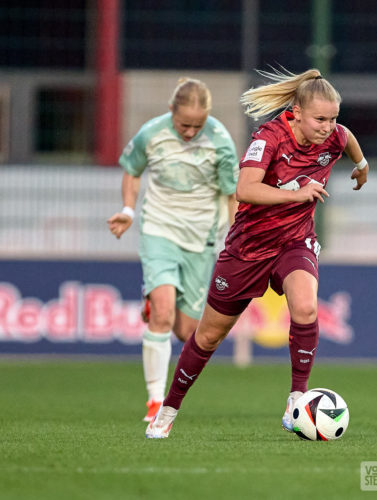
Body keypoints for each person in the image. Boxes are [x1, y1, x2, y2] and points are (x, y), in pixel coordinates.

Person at [145, 68, 370, 439]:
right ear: (296, 112)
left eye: (333, 118)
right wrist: (296, 194)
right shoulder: (269, 138)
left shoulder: (334, 135)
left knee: (307, 308)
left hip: (294, 242)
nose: (329, 126)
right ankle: (168, 409)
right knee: (208, 338)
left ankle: (296, 401)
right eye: (320, 119)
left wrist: (361, 167)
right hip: (248, 248)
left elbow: (348, 141)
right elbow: (245, 190)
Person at [107, 78, 239, 421]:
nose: (191, 132)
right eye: (184, 125)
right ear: (170, 112)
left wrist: (236, 236)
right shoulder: (152, 133)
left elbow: (231, 194)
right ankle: (155, 399)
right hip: (159, 230)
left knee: (187, 333)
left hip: (201, 238)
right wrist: (127, 210)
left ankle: (154, 303)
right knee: (163, 316)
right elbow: (132, 171)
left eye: (198, 125)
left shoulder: (220, 141)